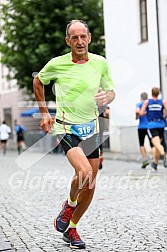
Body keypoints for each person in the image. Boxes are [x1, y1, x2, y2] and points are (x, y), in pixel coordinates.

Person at [33, 20, 115, 249]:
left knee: (90, 184)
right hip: (66, 126)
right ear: (68, 41)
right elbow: (38, 80)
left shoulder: (100, 63)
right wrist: (44, 113)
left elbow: (110, 91)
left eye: (83, 37)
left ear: (89, 38)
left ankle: (72, 229)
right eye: (74, 38)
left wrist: (107, 98)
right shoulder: (57, 64)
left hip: (92, 128)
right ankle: (69, 205)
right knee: (84, 171)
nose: (79, 41)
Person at [140, 87, 167, 170]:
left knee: (157, 144)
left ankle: (165, 157)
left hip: (152, 125)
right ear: (158, 93)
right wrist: (164, 116)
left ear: (151, 93)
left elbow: (141, 113)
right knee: (157, 145)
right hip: (161, 125)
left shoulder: (147, 102)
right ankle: (155, 163)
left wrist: (147, 113)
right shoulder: (162, 102)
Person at [135, 92, 153, 168]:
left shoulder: (139, 104)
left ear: (141, 97)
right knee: (152, 143)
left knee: (141, 144)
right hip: (150, 126)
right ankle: (154, 159)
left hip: (141, 127)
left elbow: (137, 111)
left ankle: (145, 159)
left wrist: (137, 116)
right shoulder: (149, 104)